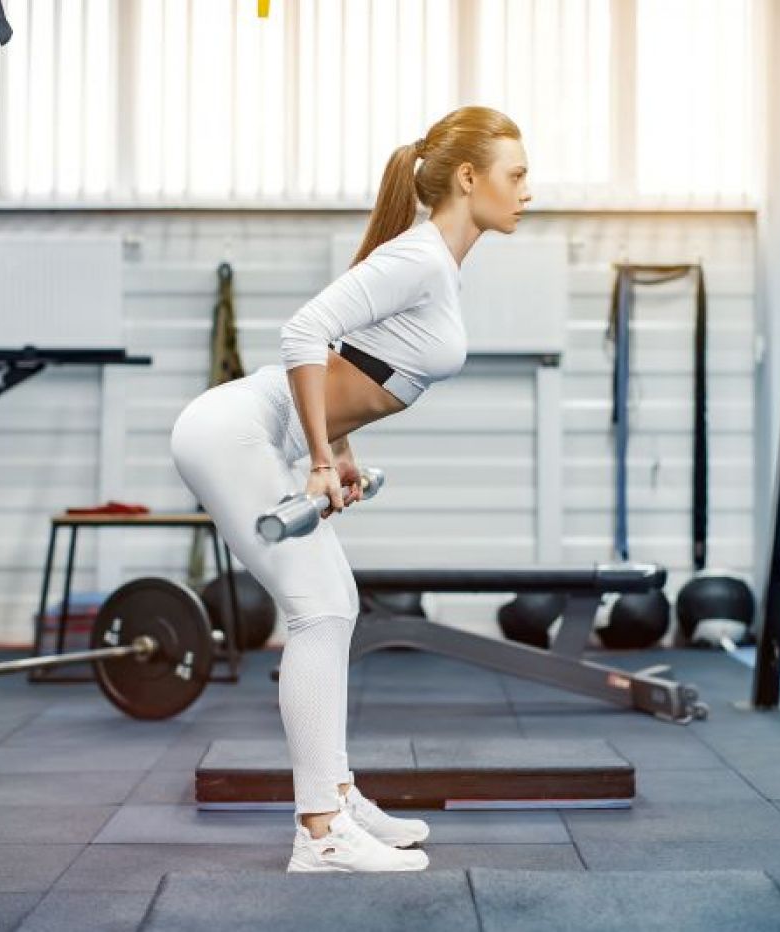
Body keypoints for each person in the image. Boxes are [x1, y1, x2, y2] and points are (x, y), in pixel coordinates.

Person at [170, 105, 532, 872]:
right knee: (320, 610)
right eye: (516, 175)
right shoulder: (421, 258)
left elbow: (350, 371)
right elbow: (304, 333)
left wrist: (336, 449)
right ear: (470, 179)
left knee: (336, 601)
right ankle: (320, 833)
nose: (528, 190)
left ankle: (337, 791)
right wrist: (311, 461)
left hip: (266, 430)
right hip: (238, 430)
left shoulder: (436, 263)